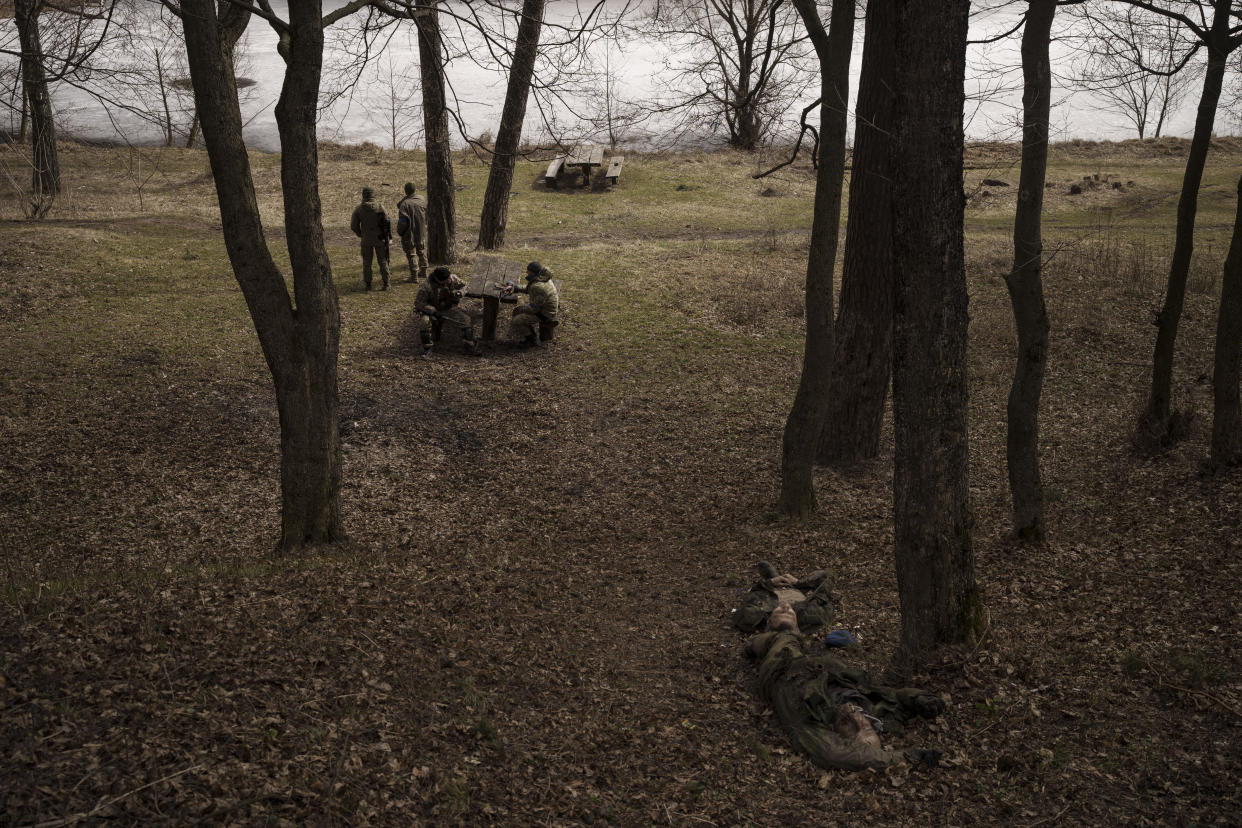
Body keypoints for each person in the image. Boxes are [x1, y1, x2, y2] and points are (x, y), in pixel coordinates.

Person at [746, 620, 945, 771]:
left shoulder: (812, 726)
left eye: (851, 730)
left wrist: (906, 757)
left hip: (783, 666)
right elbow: (896, 696)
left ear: (838, 737)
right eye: (865, 726)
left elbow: (834, 753)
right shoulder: (873, 709)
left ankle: (761, 637)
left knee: (783, 636)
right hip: (824, 667)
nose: (855, 719)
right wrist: (920, 699)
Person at [414, 267, 481, 358]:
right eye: (446, 280)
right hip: (431, 310)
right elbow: (419, 303)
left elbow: (467, 286)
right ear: (438, 280)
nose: (450, 280)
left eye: (449, 278)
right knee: (424, 322)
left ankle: (469, 347)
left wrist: (460, 293)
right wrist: (433, 311)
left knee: (466, 320)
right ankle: (427, 348)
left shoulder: (451, 278)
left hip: (447, 308)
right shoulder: (426, 286)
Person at [502, 260, 559, 347]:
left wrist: (523, 308)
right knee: (517, 311)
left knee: (517, 320)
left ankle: (531, 340)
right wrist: (515, 288)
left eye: (528, 271)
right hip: (545, 308)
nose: (526, 272)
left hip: (545, 314)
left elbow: (535, 309)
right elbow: (530, 288)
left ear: (532, 272)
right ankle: (528, 332)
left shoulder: (538, 286)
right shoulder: (542, 278)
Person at [350, 186, 391, 290]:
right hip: (380, 238)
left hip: (366, 239)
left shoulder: (359, 209)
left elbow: (353, 226)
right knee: (382, 261)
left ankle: (368, 285)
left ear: (363, 195)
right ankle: (386, 283)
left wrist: (361, 234)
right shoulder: (381, 207)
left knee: (367, 263)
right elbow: (387, 222)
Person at [396, 182, 428, 283]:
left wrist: (400, 232)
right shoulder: (422, 199)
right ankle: (424, 272)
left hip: (410, 233)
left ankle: (414, 277)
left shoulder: (405, 204)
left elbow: (402, 222)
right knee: (422, 252)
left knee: (411, 254)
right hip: (422, 231)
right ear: (415, 190)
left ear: (406, 191)